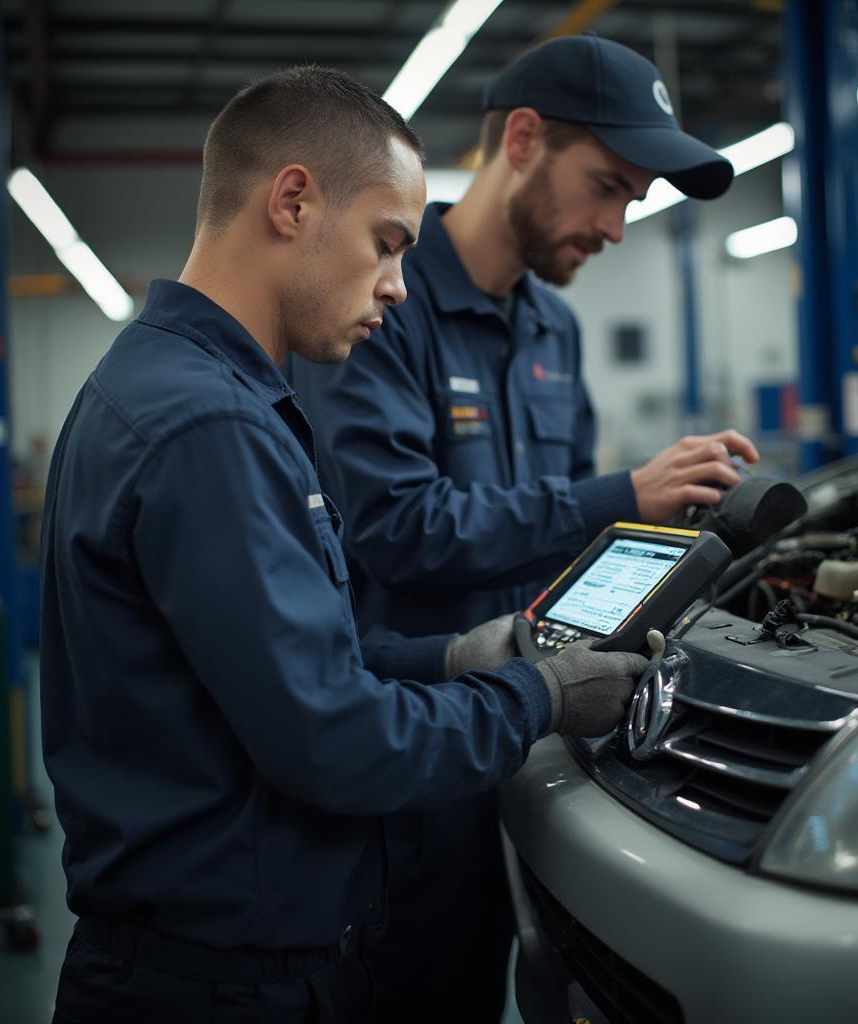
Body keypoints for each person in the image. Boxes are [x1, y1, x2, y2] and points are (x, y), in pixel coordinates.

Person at [39, 65, 655, 1024]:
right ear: (293, 201)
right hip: (221, 984)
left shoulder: (178, 386)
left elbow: (285, 659)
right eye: (385, 244)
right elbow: (333, 740)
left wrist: (453, 656)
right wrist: (543, 695)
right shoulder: (212, 428)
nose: (397, 286)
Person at [290, 35, 761, 1023]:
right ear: (522, 139)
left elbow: (567, 551)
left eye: (632, 199)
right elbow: (392, 526)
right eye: (606, 187)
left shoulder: (555, 328)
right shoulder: (384, 301)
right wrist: (621, 493)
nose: (617, 226)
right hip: (408, 763)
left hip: (533, 742)